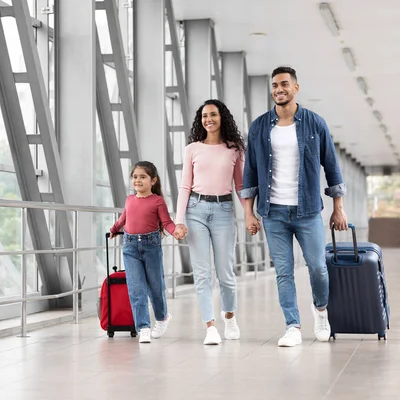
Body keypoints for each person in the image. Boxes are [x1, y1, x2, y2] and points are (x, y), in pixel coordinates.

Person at [240, 66, 348, 347]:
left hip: (308, 210)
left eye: (284, 84)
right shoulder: (260, 126)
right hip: (273, 212)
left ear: (296, 88)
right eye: (274, 85)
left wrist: (338, 207)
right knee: (284, 271)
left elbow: (332, 167)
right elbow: (250, 172)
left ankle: (321, 310)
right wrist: (248, 213)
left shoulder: (315, 123)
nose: (279, 89)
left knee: (317, 267)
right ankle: (293, 326)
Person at [173, 99, 247, 345]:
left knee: (226, 273)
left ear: (222, 117)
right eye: (204, 116)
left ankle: (229, 316)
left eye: (213, 115)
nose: (209, 120)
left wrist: (249, 213)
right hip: (195, 210)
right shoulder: (192, 148)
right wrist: (179, 221)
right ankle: (210, 327)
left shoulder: (234, 149)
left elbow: (240, 186)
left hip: (224, 210)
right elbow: (185, 185)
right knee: (203, 274)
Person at [110, 161, 182, 343]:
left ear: (153, 180)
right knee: (136, 289)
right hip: (130, 248)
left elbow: (166, 223)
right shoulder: (129, 200)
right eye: (135, 177)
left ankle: (162, 317)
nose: (138, 180)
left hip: (151, 247)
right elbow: (123, 219)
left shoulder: (157, 201)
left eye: (143, 177)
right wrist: (114, 229)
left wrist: (176, 231)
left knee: (156, 287)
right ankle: (143, 327)